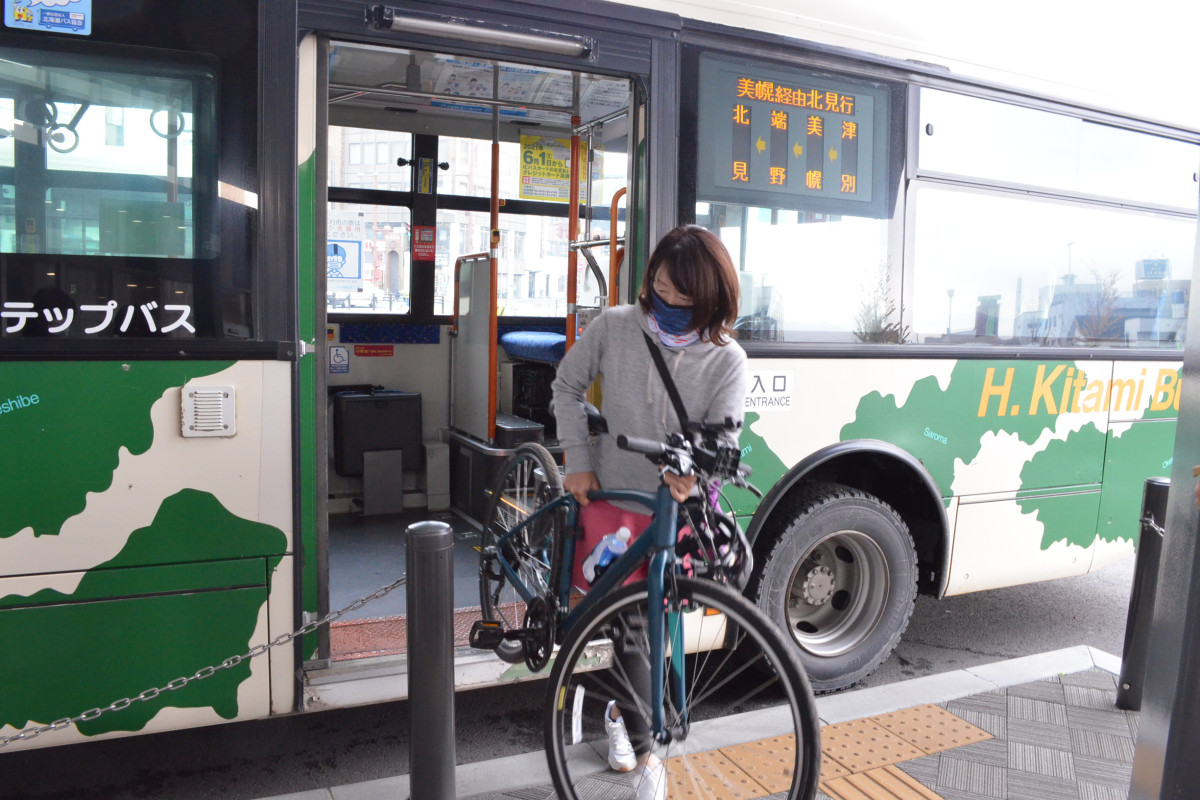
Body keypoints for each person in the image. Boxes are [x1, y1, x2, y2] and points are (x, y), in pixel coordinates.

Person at [551, 224, 747, 800]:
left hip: (678, 513)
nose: (668, 306)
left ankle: (617, 713)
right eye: (660, 288)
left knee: (672, 615)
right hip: (613, 502)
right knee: (636, 632)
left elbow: (726, 436)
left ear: (711, 301)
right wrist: (578, 459)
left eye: (684, 300)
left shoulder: (728, 360)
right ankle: (647, 756)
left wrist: (696, 472)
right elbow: (567, 385)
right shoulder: (615, 326)